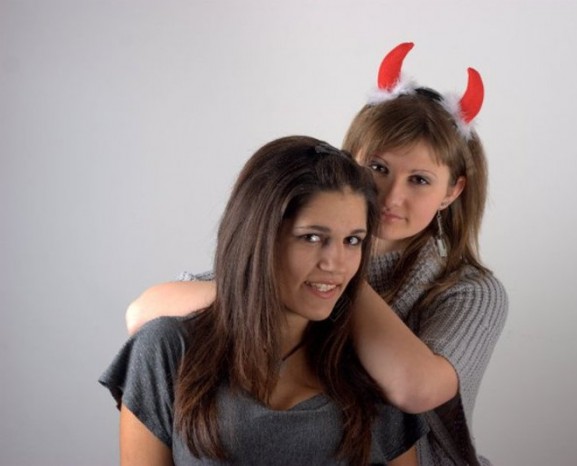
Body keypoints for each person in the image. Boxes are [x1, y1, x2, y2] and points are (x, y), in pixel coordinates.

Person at [125, 43, 508, 465]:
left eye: (419, 180)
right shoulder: (289, 261)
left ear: (452, 190)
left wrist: (335, 278)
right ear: (350, 161)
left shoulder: (469, 291)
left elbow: (415, 389)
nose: (390, 195)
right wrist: (263, 287)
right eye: (378, 168)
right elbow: (142, 313)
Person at [100, 136, 427, 465]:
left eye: (353, 240)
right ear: (258, 236)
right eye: (312, 237)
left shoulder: (372, 368)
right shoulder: (167, 349)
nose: (336, 264)